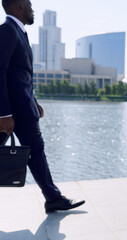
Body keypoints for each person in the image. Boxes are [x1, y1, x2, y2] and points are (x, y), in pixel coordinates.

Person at [0, 0, 85, 213]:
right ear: (18, 7)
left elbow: (19, 76)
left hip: (23, 108)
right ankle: (53, 197)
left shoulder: (19, 32)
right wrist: (4, 113)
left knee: (36, 151)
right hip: (13, 112)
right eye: (29, 4)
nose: (32, 9)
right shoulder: (8, 31)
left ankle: (53, 197)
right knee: (36, 151)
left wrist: (33, 101)